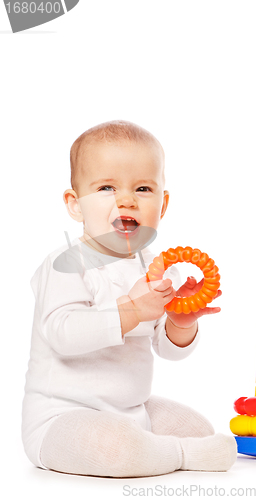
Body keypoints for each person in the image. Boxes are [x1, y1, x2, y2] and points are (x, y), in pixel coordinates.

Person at [22, 120, 237, 477]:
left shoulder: (158, 268)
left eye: (142, 188)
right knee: (116, 448)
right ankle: (180, 456)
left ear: (163, 204)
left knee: (200, 428)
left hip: (130, 408)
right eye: (107, 187)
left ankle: (160, 448)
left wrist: (179, 324)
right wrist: (133, 310)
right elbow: (63, 335)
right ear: (75, 205)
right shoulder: (65, 264)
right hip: (58, 418)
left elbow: (167, 350)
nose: (126, 199)